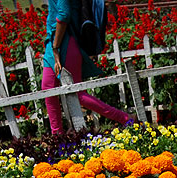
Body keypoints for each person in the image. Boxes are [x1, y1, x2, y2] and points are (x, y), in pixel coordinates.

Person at [41, 0, 133, 134]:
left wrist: (55, 48)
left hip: (64, 44)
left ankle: (125, 118)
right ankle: (57, 136)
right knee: (48, 90)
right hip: (54, 43)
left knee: (78, 93)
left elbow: (64, 15)